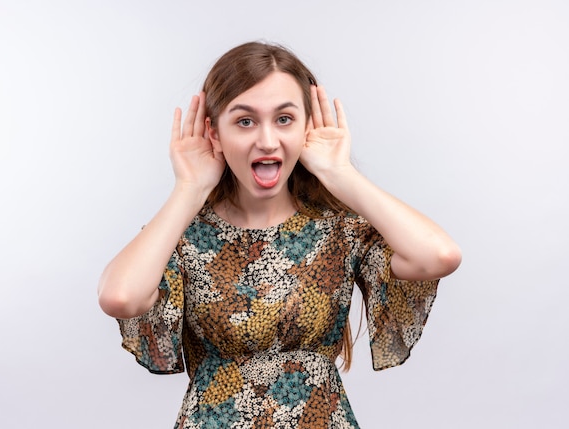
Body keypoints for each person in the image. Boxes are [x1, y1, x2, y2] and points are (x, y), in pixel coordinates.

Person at [98, 41, 461, 428]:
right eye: (245, 121)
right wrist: (189, 188)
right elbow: (121, 297)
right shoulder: (182, 236)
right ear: (214, 133)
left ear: (308, 127)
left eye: (284, 119)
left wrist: (340, 174)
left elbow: (438, 256)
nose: (267, 141)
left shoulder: (340, 228)